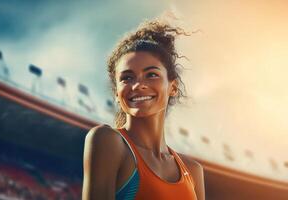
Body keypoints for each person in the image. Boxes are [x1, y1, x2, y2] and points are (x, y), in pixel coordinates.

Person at [82, 20, 205, 200]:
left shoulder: (193, 170)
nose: (138, 85)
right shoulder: (108, 141)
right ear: (117, 92)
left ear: (173, 87)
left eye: (151, 75)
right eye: (127, 78)